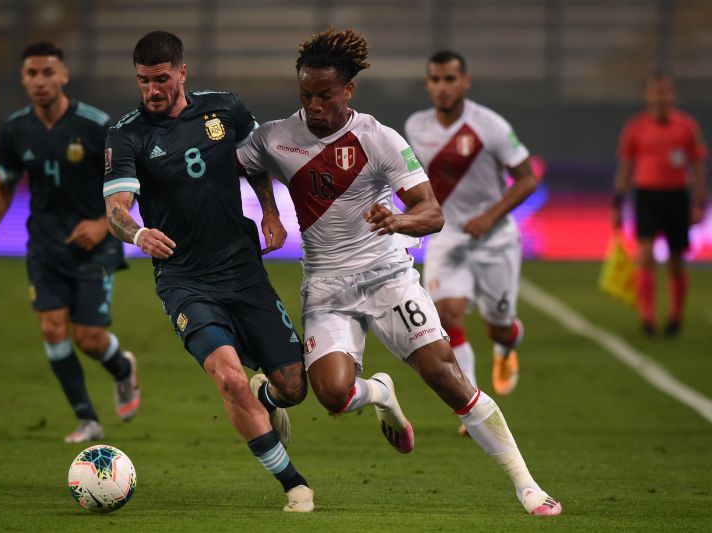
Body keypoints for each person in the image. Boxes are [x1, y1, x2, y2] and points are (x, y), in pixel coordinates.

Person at [236, 28, 561, 516]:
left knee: (444, 375)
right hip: (325, 285)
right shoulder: (278, 136)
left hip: (386, 274)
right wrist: (269, 210)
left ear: (348, 89)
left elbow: (432, 213)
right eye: (306, 95)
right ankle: (381, 393)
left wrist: (399, 220)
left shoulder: (378, 138)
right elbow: (247, 162)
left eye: (325, 94)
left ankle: (527, 485)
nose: (315, 105)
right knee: (332, 395)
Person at [103, 31, 313, 512]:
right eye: (143, 81)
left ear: (181, 71)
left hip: (241, 267)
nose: (152, 90)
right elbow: (117, 209)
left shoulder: (226, 109)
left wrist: (270, 211)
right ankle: (294, 485)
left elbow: (255, 160)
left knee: (294, 387)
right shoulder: (127, 134)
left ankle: (268, 397)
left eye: (160, 79)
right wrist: (136, 234)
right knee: (229, 378)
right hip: (183, 280)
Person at [0, 42, 140, 443]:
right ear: (23, 79)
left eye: (48, 72)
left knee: (89, 339)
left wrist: (103, 224)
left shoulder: (96, 126)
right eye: (32, 73)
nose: (40, 81)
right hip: (45, 245)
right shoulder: (15, 130)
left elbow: (130, 184)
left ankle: (122, 369)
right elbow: (4, 184)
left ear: (64, 75)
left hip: (95, 246)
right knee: (51, 329)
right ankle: (87, 419)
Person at [404, 50, 539, 435]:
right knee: (446, 315)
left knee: (497, 326)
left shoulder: (490, 126)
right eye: (435, 80)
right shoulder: (415, 126)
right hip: (446, 237)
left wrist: (490, 216)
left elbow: (527, 178)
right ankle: (473, 399)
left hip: (494, 241)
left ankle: (507, 344)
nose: (442, 87)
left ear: (465, 82)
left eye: (450, 79)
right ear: (428, 84)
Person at [612, 72, 708, 337]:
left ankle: (676, 317)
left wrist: (700, 201)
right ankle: (648, 318)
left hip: (677, 195)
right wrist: (617, 201)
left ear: (673, 95)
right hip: (647, 196)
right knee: (645, 254)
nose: (661, 96)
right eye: (656, 91)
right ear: (647, 95)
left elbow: (698, 165)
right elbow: (626, 166)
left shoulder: (686, 126)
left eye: (665, 91)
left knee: (677, 258)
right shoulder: (636, 127)